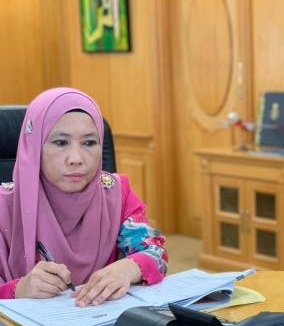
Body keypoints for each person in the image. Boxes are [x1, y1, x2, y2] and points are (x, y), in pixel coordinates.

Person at [0, 87, 167, 306]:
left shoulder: (116, 193)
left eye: (89, 143)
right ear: (34, 148)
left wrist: (129, 268)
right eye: (60, 143)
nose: (76, 158)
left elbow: (156, 251)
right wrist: (18, 289)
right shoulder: (5, 205)